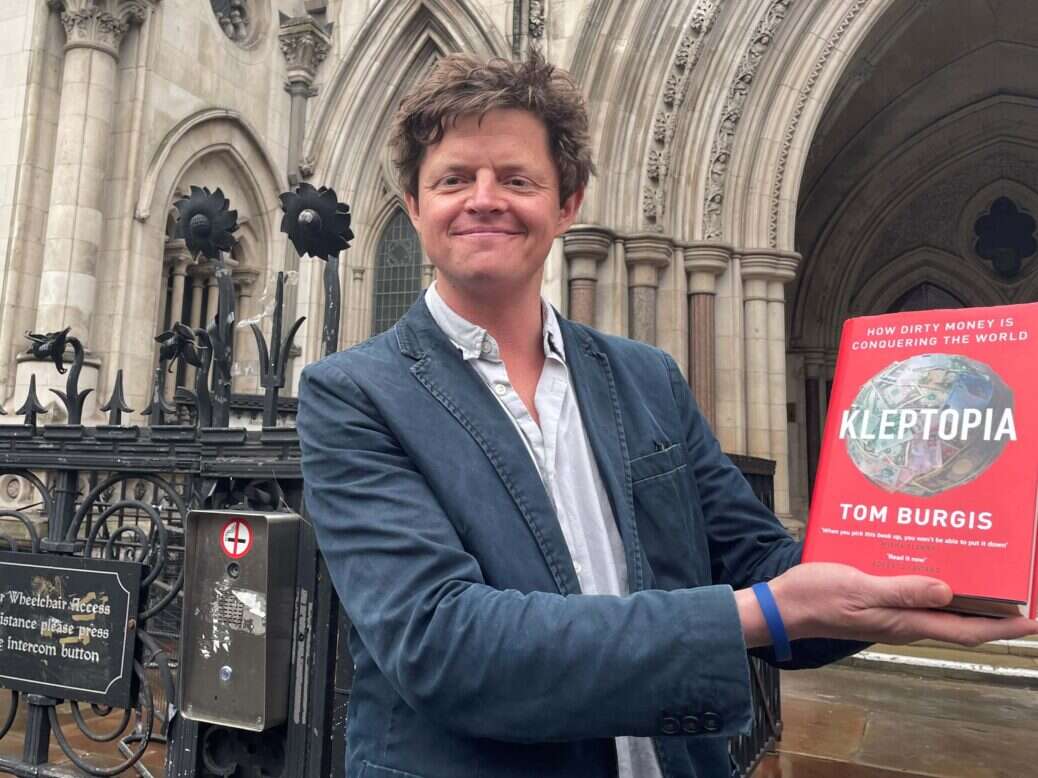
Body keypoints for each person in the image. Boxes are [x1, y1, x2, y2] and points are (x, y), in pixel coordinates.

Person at [297, 53, 1037, 778]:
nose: (484, 198)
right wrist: (762, 614)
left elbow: (762, 564)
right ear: (416, 205)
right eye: (455, 178)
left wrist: (951, 556)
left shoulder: (645, 377)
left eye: (517, 179)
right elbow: (443, 644)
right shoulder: (354, 395)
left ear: (567, 204)